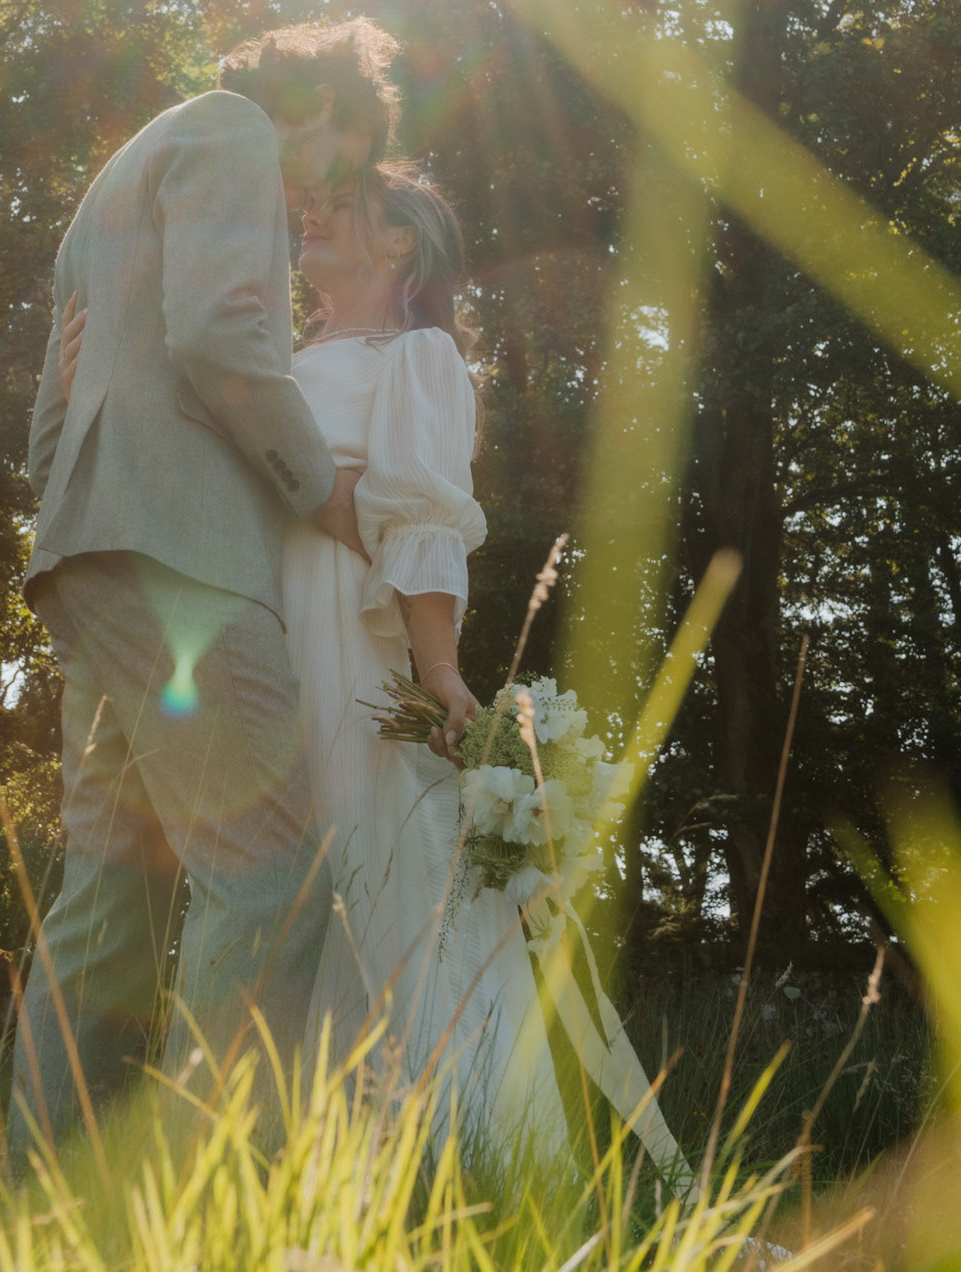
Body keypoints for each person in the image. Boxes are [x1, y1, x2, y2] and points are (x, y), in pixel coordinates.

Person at [60, 159, 691, 1187]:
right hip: (246, 628)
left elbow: (420, 516)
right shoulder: (270, 353)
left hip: (342, 644)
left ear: (400, 241)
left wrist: (438, 669)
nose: (309, 213)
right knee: (263, 887)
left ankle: (457, 1167)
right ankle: (282, 1168)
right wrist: (97, 371)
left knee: (374, 879)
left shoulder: (418, 357)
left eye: (341, 204)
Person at [9, 18, 400, 1164]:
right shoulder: (234, 131)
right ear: (311, 100)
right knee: (273, 873)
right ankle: (210, 1197)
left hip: (92, 561)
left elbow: (44, 441)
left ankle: (37, 1203)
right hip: (187, 563)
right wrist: (319, 485)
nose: (319, 191)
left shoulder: (111, 187)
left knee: (110, 905)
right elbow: (221, 333)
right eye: (335, 155)